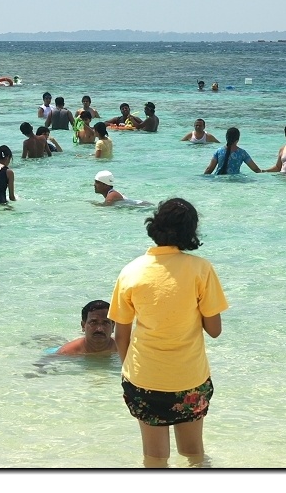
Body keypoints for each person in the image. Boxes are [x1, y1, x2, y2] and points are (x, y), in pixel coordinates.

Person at [108, 198, 228, 468]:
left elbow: (121, 335)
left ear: (156, 226)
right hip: (189, 377)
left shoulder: (131, 271)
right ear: (190, 232)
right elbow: (215, 330)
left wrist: (130, 370)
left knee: (155, 457)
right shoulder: (201, 269)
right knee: (193, 452)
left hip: (144, 377)